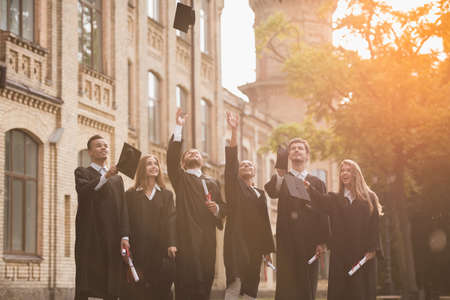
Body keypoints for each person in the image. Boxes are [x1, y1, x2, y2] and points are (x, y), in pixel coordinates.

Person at [167, 108, 226, 300]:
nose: (193, 154)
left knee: (204, 286)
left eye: (196, 153)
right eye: (188, 153)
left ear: (203, 161)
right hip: (186, 240)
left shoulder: (213, 183)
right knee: (185, 285)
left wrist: (216, 209)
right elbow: (171, 158)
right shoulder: (181, 179)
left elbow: (223, 209)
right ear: (183, 162)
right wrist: (179, 127)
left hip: (207, 242)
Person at [305, 159, 383, 300]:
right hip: (340, 255)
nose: (345, 173)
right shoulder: (335, 199)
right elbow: (320, 201)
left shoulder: (369, 198)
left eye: (348, 170)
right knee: (340, 292)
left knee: (361, 292)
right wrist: (309, 188)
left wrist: (373, 249)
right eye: (342, 170)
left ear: (356, 174)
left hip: (362, 254)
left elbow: (374, 225)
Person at [264, 138, 329, 300]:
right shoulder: (283, 179)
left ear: (307, 156)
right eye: (293, 148)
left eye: (300, 148)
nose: (296, 150)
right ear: (289, 155)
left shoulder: (317, 183)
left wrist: (322, 241)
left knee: (307, 285)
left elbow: (323, 212)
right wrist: (280, 174)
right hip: (287, 240)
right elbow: (272, 191)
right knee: (287, 286)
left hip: (310, 242)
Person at [223, 112, 275, 300]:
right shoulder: (234, 186)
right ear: (237, 171)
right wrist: (234, 129)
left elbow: (265, 222)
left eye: (250, 165)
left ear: (254, 172)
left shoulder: (260, 194)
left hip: (255, 247)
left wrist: (267, 250)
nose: (246, 165)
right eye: (242, 164)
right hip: (236, 244)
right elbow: (231, 161)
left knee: (251, 288)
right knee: (235, 285)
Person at [74, 135, 130, 300]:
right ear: (90, 152)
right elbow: (84, 192)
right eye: (98, 146)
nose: (104, 148)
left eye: (105, 145)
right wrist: (105, 176)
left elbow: (123, 209)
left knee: (112, 286)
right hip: (92, 237)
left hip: (113, 238)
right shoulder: (82, 172)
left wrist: (125, 235)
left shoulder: (117, 179)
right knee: (90, 284)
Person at [121, 154, 177, 300]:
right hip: (138, 250)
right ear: (142, 169)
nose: (154, 166)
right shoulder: (130, 194)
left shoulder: (166, 195)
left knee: (160, 291)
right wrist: (125, 238)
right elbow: (125, 219)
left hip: (160, 251)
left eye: (156, 164)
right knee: (137, 292)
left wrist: (171, 243)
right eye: (149, 164)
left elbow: (171, 220)